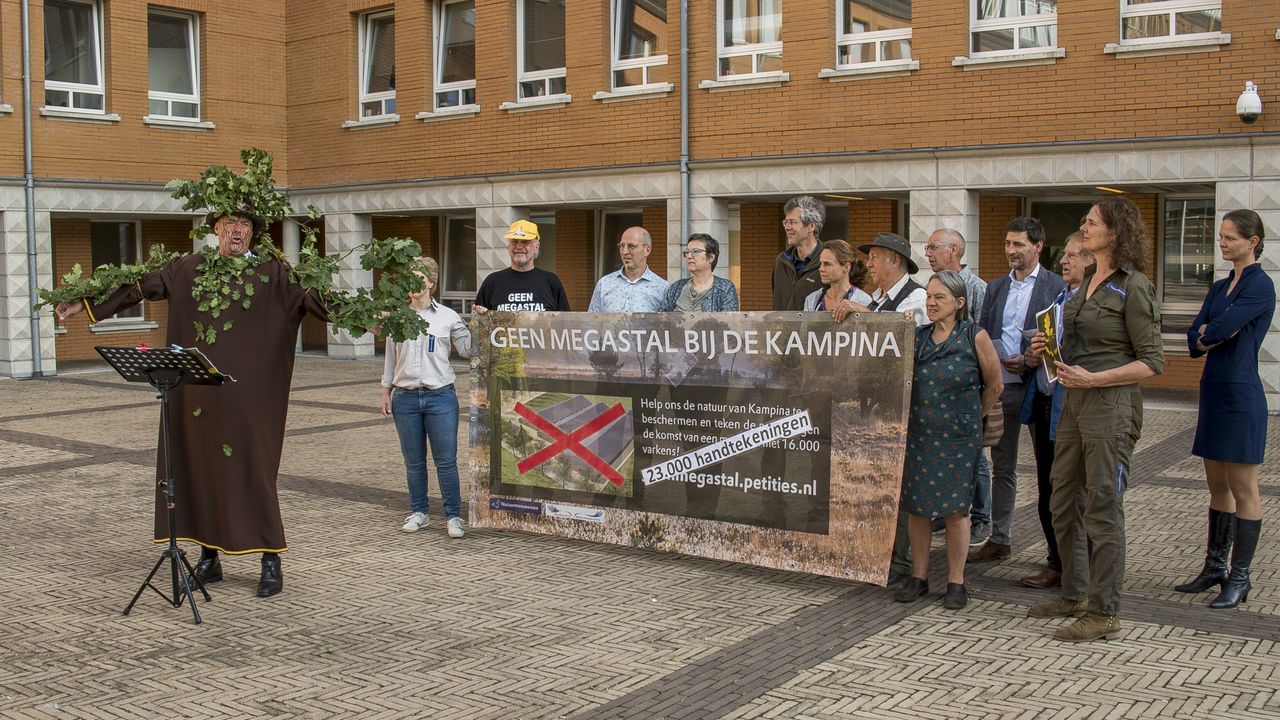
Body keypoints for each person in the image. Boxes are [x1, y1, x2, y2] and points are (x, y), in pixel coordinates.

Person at [55, 207, 329, 597]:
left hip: (250, 397)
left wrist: (367, 318)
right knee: (200, 468)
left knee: (254, 470)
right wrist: (83, 303)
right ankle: (209, 557)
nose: (237, 230)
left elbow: (315, 298)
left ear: (253, 232)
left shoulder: (274, 274)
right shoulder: (188, 268)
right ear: (216, 228)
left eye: (245, 224)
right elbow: (138, 287)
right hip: (196, 394)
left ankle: (270, 558)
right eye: (230, 223)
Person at [1027, 196, 1164, 642]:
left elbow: (1152, 361)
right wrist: (1045, 349)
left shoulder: (1134, 286)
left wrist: (1096, 378)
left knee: (1103, 509)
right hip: (1074, 403)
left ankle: (1105, 612)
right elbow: (1075, 343)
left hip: (1110, 407)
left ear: (1115, 233)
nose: (1083, 227)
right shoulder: (1086, 282)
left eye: (1092, 222)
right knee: (1062, 500)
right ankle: (1075, 594)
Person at [1176, 209, 1274, 609]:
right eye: (1221, 236)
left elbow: (1213, 329)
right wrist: (1207, 334)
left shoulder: (1261, 285)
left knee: (1244, 488)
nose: (1222, 243)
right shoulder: (1218, 287)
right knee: (1217, 486)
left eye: (1230, 237)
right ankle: (1215, 567)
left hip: (1241, 397)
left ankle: (1240, 577)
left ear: (1253, 241)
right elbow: (1195, 334)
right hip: (1213, 393)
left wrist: (1210, 332)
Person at [895, 271, 1003, 609]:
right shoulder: (918, 337)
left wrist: (969, 417)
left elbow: (995, 385)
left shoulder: (974, 336)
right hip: (920, 436)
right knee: (917, 508)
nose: (931, 302)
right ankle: (919, 576)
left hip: (959, 439)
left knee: (956, 510)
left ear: (959, 302)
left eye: (939, 297)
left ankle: (956, 581)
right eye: (929, 296)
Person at [969, 217, 1065, 565]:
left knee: (1049, 470)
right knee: (1003, 466)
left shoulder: (1056, 286)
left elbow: (1060, 337)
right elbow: (982, 333)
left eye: (1018, 244)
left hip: (1041, 389)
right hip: (1003, 386)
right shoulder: (995, 288)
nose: (1011, 250)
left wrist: (1029, 359)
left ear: (1038, 246)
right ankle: (1000, 538)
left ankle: (1057, 550)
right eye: (1008, 244)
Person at [849, 231, 925, 585]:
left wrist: (860, 312)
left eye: (875, 257)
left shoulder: (917, 297)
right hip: (877, 402)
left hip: (903, 407)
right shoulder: (879, 300)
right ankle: (883, 551)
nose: (869, 264)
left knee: (900, 483)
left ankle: (902, 559)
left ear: (896, 260)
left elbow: (900, 331)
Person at [1017, 233, 1093, 589]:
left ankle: (1080, 568)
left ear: (1092, 262)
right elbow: (1041, 356)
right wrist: (1033, 353)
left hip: (1074, 408)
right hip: (1046, 403)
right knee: (1048, 489)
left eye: (1074, 255)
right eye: (1064, 254)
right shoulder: (1059, 299)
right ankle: (1058, 561)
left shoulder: (1094, 304)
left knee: (1074, 491)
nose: (1064, 261)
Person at [381, 257, 473, 538]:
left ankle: (453, 516)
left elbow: (468, 350)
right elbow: (390, 358)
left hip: (440, 397)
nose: (414, 282)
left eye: (420, 278)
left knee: (446, 461)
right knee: (413, 462)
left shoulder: (448, 317)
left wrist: (481, 325)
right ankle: (419, 512)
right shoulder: (397, 317)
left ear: (431, 283)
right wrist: (385, 390)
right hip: (405, 398)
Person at [925, 227, 993, 548]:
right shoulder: (932, 287)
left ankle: (981, 517)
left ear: (953, 249)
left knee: (976, 458)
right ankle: (946, 510)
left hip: (967, 389)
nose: (927, 253)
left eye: (933, 247)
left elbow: (982, 337)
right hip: (940, 397)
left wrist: (977, 407)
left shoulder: (977, 288)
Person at [474, 220, 570, 314]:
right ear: (508, 247)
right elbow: (477, 320)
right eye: (514, 242)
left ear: (536, 246)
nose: (519, 246)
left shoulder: (551, 281)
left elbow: (566, 320)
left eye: (525, 241)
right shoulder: (492, 282)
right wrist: (480, 315)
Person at [588, 226, 668, 312]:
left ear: (647, 250)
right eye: (622, 246)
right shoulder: (604, 284)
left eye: (631, 246)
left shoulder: (663, 289)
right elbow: (591, 319)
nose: (624, 251)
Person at [660, 234, 739, 311]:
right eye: (687, 252)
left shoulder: (725, 289)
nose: (689, 256)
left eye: (695, 251)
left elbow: (728, 319)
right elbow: (662, 318)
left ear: (711, 257)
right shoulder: (676, 288)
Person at [773, 196, 825, 311]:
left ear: (811, 226)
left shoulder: (828, 262)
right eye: (785, 222)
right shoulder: (781, 261)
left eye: (793, 222)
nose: (787, 227)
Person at [803, 239, 872, 313]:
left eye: (827, 264)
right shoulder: (812, 299)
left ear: (846, 267)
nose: (821, 269)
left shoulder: (863, 301)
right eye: (821, 263)